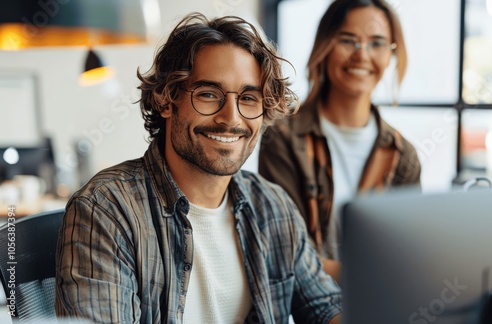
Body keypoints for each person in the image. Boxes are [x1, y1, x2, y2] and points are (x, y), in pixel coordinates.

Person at [55, 12, 342, 324]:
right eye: (208, 94)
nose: (231, 118)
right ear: (166, 100)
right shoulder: (108, 210)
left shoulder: (272, 206)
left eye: (248, 98)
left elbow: (324, 307)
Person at [259, 0, 421, 283]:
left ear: (391, 54)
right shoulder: (283, 137)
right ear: (325, 46)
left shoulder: (402, 154)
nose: (362, 55)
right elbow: (287, 253)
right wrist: (371, 277)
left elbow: (406, 252)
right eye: (348, 40)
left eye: (377, 43)